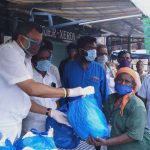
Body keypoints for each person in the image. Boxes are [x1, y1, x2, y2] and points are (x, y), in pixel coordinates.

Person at [0, 22, 94, 143]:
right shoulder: (7, 52)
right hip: (3, 123)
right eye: (34, 42)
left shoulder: (26, 58)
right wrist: (69, 92)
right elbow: (32, 89)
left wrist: (51, 112)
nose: (37, 46)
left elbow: (24, 99)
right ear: (20, 38)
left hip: (15, 123)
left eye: (39, 42)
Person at [87, 67, 150, 150]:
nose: (122, 83)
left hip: (134, 146)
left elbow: (134, 135)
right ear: (115, 81)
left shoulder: (137, 105)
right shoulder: (110, 99)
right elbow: (103, 121)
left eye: (127, 81)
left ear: (133, 85)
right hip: (112, 144)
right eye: (119, 80)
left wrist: (106, 142)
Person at [22, 40, 61, 133]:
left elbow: (57, 100)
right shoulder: (28, 76)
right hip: (32, 123)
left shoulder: (52, 76)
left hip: (52, 121)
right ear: (34, 60)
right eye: (41, 58)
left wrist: (57, 114)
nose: (45, 61)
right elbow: (24, 100)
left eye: (47, 58)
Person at [63, 36, 110, 109]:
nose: (93, 51)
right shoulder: (69, 67)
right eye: (90, 48)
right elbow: (64, 91)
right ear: (80, 50)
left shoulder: (99, 68)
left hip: (94, 113)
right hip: (74, 112)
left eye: (94, 48)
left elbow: (105, 93)